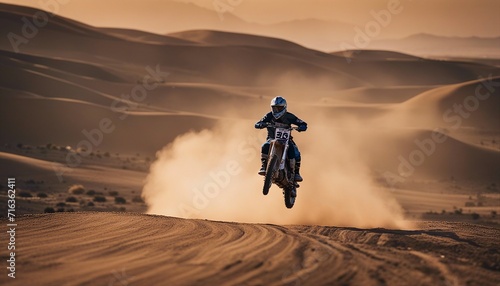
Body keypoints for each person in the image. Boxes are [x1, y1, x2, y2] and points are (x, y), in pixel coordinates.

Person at [254, 96, 307, 182]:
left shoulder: (289, 116)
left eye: (279, 108)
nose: (277, 110)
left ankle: (296, 172)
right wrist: (260, 124)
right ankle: (264, 166)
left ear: (284, 107)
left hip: (286, 140)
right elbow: (259, 122)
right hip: (271, 139)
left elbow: (302, 123)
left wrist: (302, 126)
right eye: (274, 108)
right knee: (265, 146)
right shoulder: (269, 115)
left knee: (295, 151)